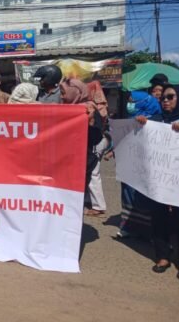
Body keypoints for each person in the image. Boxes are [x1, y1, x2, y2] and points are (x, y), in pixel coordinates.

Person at [137, 84, 179, 280]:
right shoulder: (157, 120)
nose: (165, 100)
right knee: (158, 217)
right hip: (161, 180)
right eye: (163, 98)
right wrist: (142, 125)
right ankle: (163, 256)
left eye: (170, 97)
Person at [116, 91, 162, 239]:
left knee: (143, 196)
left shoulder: (159, 119)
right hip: (130, 164)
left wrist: (147, 123)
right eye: (129, 101)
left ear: (143, 103)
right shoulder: (131, 119)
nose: (130, 105)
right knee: (128, 194)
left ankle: (147, 231)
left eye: (133, 102)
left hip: (148, 166)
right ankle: (129, 226)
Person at [60, 78, 107, 217]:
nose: (62, 96)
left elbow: (95, 133)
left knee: (93, 174)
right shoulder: (73, 107)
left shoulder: (88, 108)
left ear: (75, 92)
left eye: (64, 93)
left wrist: (88, 122)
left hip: (93, 145)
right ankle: (88, 202)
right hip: (85, 146)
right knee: (86, 174)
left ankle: (98, 206)